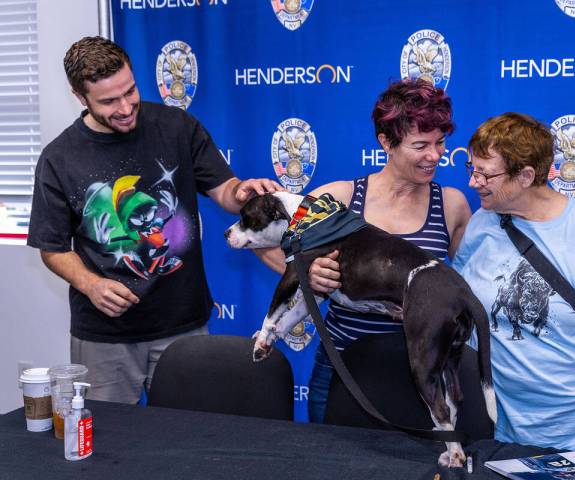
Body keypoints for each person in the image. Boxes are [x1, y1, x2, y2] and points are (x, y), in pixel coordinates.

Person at [27, 36, 281, 404]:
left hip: (184, 326)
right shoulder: (59, 158)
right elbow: (51, 248)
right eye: (109, 101)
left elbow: (224, 190)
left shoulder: (176, 126)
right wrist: (91, 284)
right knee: (109, 448)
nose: (126, 106)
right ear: (80, 97)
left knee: (191, 441)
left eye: (130, 91)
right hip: (104, 338)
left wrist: (241, 191)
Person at [257, 79, 472, 422]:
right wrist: (308, 273)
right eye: (421, 145)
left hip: (422, 377)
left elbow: (463, 293)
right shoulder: (338, 199)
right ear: (386, 142)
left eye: (441, 142)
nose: (435, 155)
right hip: (342, 372)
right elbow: (267, 244)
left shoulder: (452, 206)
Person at [452, 112, 575, 450]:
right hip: (489, 425)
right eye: (472, 169)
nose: (473, 182)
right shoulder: (482, 224)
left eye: (485, 173)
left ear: (526, 176)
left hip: (572, 432)